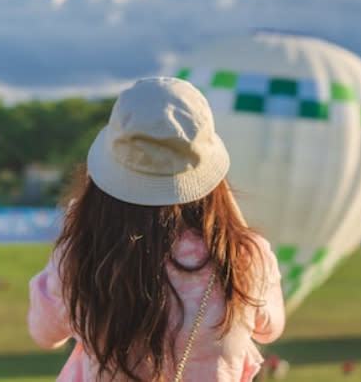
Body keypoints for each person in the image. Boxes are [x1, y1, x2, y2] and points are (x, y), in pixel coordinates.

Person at [28, 77, 285, 381]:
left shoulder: (83, 255)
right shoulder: (244, 257)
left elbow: (44, 332)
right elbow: (269, 327)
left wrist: (73, 237)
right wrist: (234, 231)